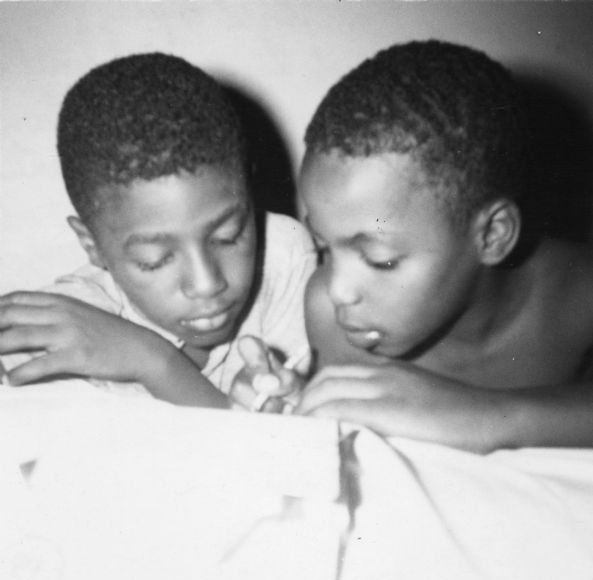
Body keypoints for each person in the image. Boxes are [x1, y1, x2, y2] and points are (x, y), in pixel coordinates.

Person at [236, 40, 593, 453]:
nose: (338, 290)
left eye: (380, 259)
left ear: (492, 235)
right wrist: (301, 401)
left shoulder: (578, 291)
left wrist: (488, 416)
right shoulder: (328, 315)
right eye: (325, 247)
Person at [0, 52, 315, 408]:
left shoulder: (281, 255)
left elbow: (285, 448)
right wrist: (154, 361)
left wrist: (154, 363)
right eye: (155, 260)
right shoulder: (74, 324)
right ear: (92, 245)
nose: (207, 283)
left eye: (228, 236)